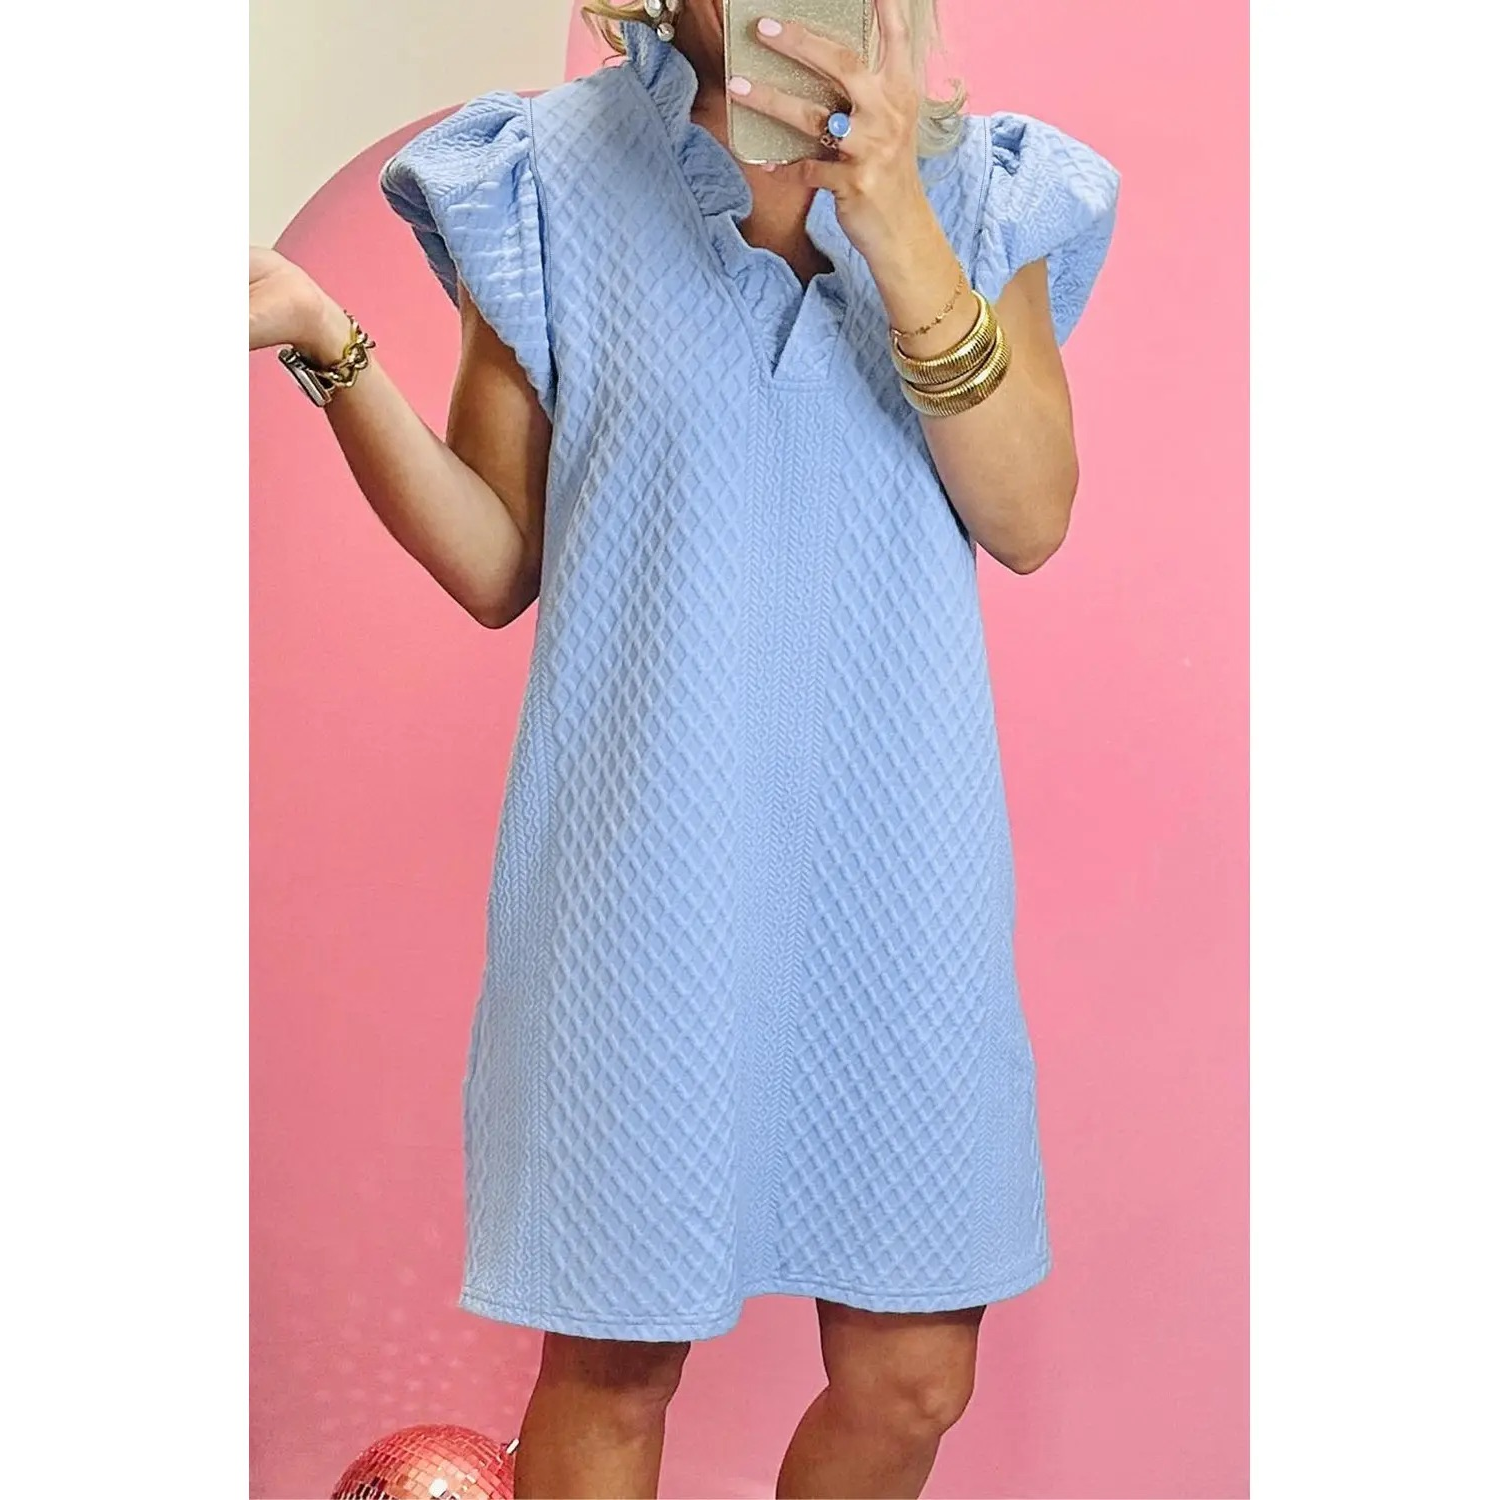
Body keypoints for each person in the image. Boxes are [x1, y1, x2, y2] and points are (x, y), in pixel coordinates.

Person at [249, 1, 1119, 1494]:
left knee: (913, 1377)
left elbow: (1031, 516)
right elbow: (496, 560)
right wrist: (331, 348)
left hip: (899, 879)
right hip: (639, 882)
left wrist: (898, 220)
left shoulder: (988, 186)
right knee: (617, 1367)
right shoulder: (543, 176)